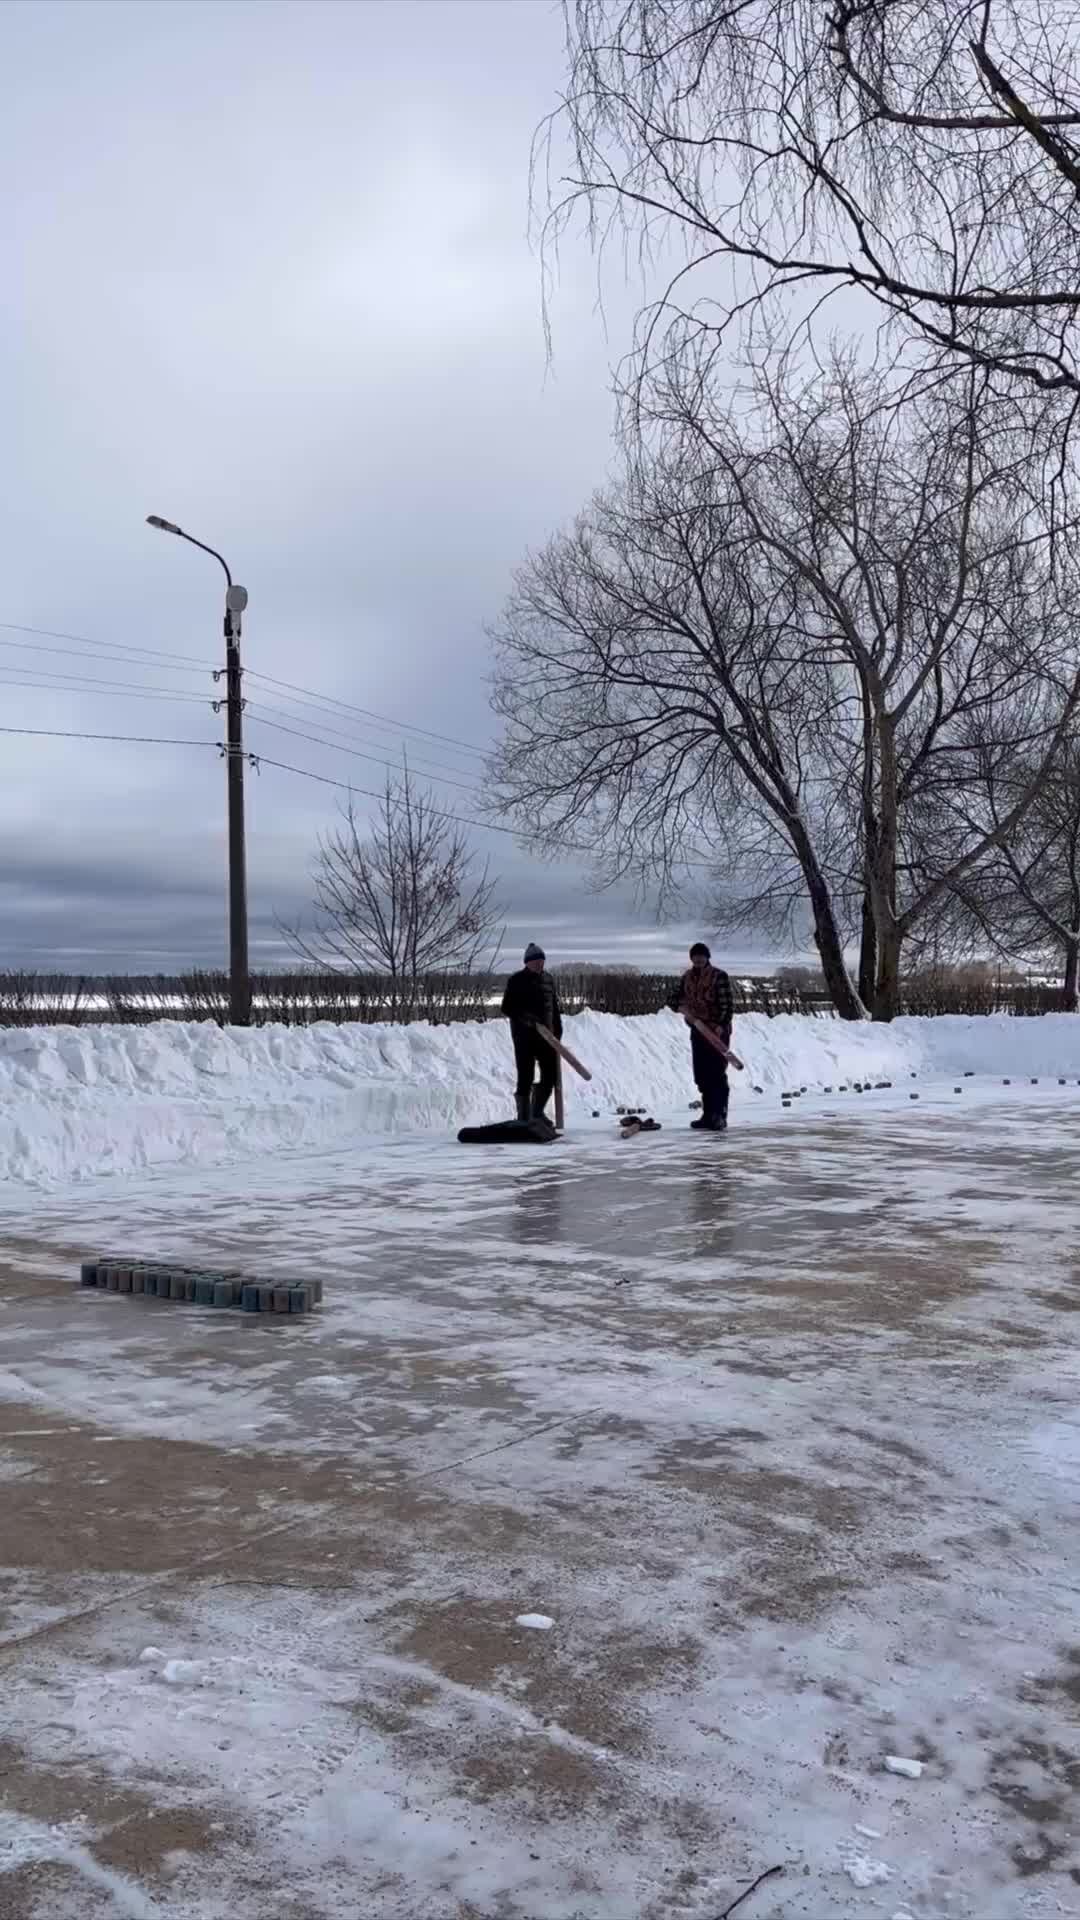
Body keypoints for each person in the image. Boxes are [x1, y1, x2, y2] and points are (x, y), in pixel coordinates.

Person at [668, 942, 734, 1131]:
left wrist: (721, 1024)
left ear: (707, 957)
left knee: (717, 1074)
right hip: (698, 1029)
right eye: (695, 956)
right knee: (702, 1075)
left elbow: (727, 1004)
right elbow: (673, 998)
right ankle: (707, 1115)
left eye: (701, 956)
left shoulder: (718, 976)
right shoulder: (687, 978)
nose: (698, 959)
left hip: (717, 1031)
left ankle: (719, 1115)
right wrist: (680, 1007)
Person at [501, 942, 564, 1122]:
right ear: (527, 962)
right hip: (524, 1037)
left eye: (542, 961)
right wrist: (527, 1019)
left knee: (550, 1075)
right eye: (536, 961)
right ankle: (524, 1118)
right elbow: (507, 1007)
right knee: (525, 1077)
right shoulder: (516, 980)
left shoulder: (548, 980)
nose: (540, 964)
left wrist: (558, 1030)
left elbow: (554, 1007)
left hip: (547, 1037)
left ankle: (537, 1113)